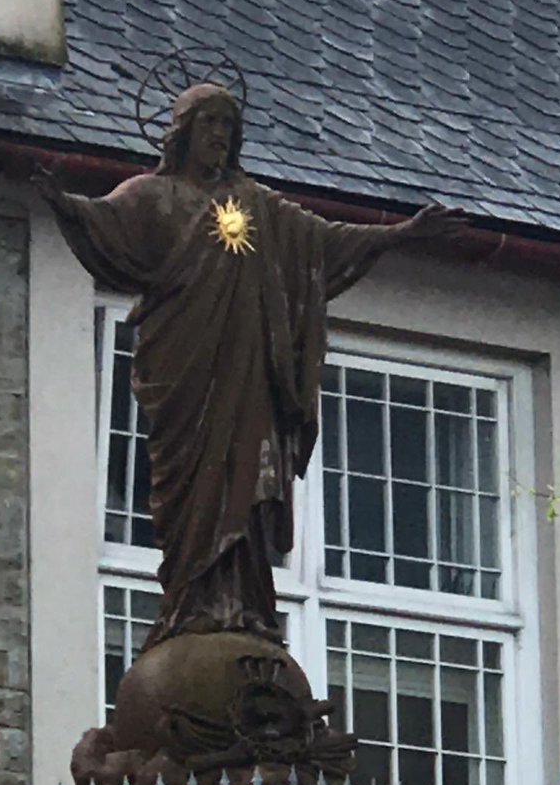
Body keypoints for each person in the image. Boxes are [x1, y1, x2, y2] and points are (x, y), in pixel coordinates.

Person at [35, 83, 465, 649]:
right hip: (184, 373)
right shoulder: (152, 196)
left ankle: (245, 605)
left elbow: (323, 242)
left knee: (250, 484)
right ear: (183, 130)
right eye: (208, 122)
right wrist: (64, 204)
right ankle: (190, 603)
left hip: (249, 382)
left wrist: (401, 233)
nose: (219, 134)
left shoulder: (259, 207)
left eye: (228, 125)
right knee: (191, 493)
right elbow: (105, 223)